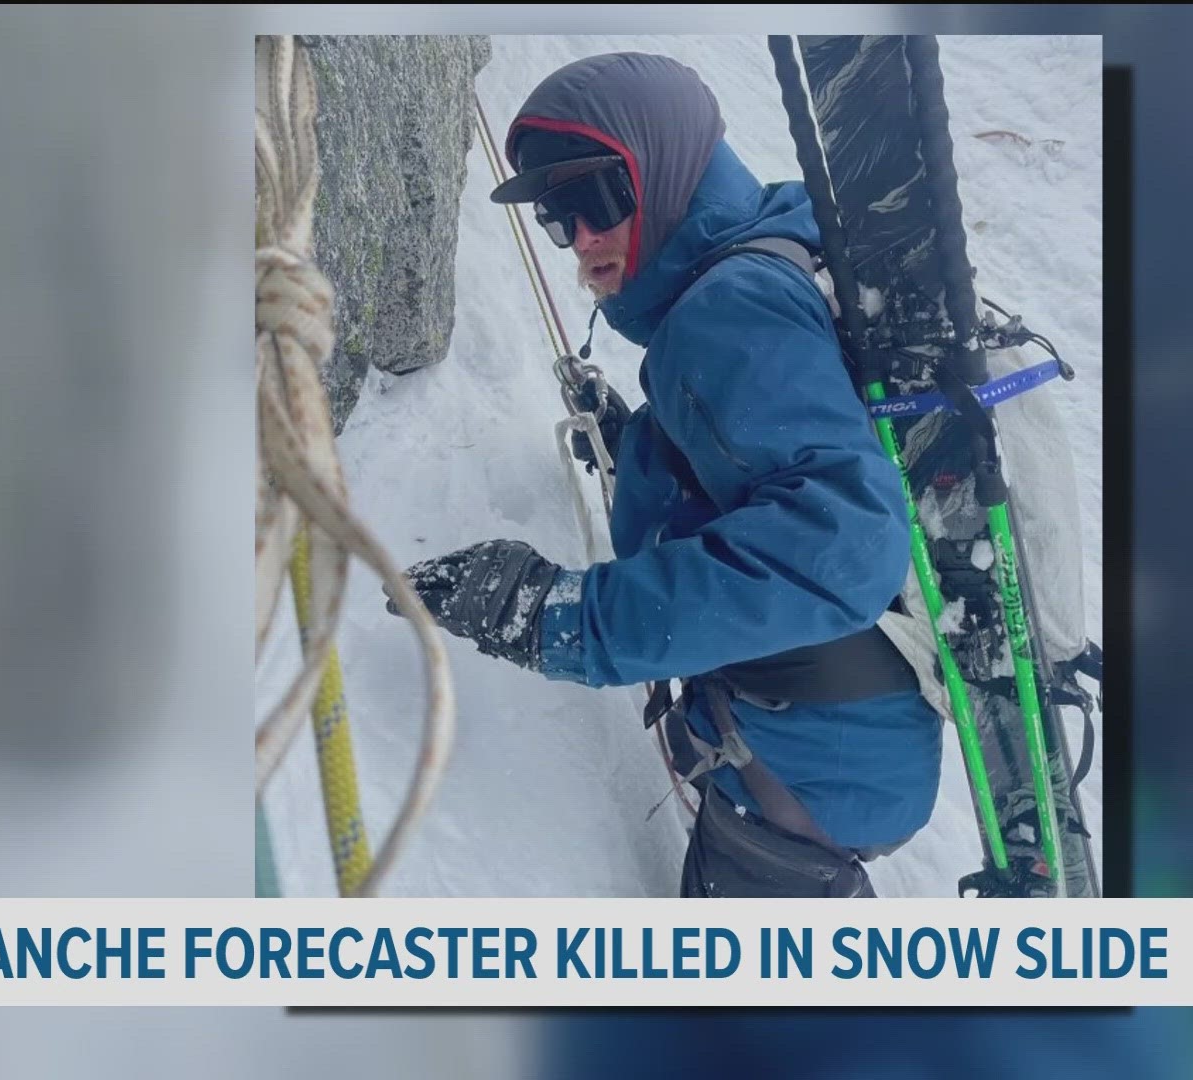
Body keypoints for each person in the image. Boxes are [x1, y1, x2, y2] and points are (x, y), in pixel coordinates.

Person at [386, 52, 942, 898]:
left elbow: (844, 540)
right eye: (554, 216)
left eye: (596, 201)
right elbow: (779, 437)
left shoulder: (727, 308)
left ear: (665, 164)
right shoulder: (773, 249)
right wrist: (654, 448)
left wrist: (554, 616)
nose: (580, 239)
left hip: (808, 778)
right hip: (854, 747)